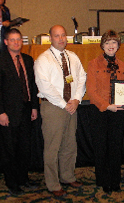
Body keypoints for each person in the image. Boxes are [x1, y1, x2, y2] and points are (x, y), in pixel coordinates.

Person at [34, 25, 86, 197]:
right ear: (50, 38)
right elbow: (45, 87)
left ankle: (67, 176)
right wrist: (65, 104)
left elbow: (81, 78)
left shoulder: (73, 56)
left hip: (72, 106)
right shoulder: (43, 60)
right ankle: (53, 184)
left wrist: (77, 99)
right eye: (57, 36)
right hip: (53, 107)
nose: (61, 39)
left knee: (70, 145)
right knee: (52, 148)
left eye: (63, 35)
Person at [0, 28, 39, 196]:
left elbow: (32, 85)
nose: (16, 42)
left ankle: (23, 179)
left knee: (25, 148)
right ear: (6, 42)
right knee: (9, 150)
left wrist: (34, 107)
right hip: (8, 114)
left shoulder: (28, 60)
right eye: (12, 39)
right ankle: (12, 183)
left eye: (19, 39)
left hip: (26, 111)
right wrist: (0, 112)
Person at [86, 30, 124, 193]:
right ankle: (103, 180)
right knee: (101, 147)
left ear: (118, 46)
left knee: (116, 147)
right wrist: (106, 105)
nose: (111, 46)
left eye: (114, 43)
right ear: (102, 45)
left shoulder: (123, 65)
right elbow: (91, 91)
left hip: (117, 111)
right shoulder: (93, 63)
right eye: (108, 43)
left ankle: (115, 180)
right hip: (100, 111)